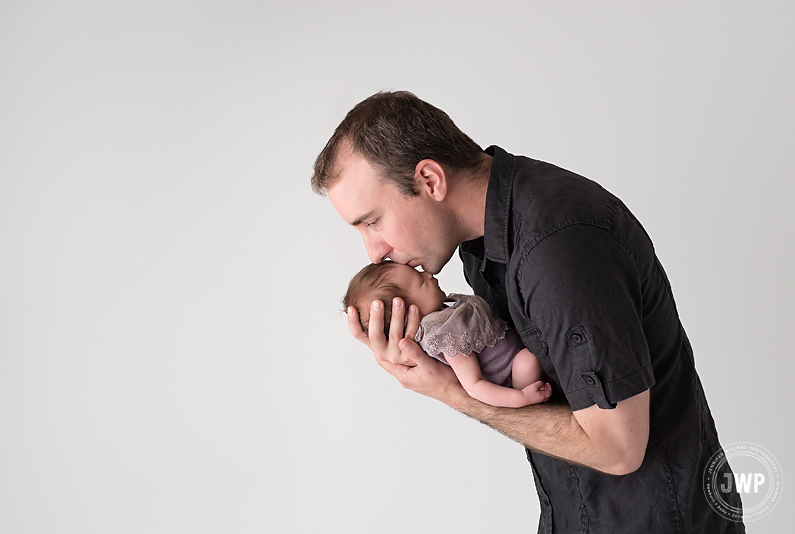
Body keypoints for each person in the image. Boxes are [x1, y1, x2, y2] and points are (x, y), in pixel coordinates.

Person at [312, 90, 744, 533]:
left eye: (372, 221)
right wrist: (426, 352)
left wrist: (451, 391)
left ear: (429, 180)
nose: (374, 253)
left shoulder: (557, 249)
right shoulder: (484, 243)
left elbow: (619, 448)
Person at [344, 261, 553, 408]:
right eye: (421, 281)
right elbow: (474, 385)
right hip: (511, 378)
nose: (429, 274)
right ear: (408, 313)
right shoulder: (446, 335)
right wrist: (521, 398)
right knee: (528, 360)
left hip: (515, 347)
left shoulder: (448, 311)